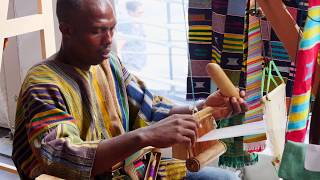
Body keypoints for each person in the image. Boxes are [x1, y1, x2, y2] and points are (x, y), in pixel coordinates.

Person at [12, 0, 247, 179]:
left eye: (112, 29)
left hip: (125, 172)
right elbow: (60, 157)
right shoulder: (43, 85)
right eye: (98, 31)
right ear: (67, 30)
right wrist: (145, 136)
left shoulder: (109, 63)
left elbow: (150, 108)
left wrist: (204, 108)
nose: (109, 39)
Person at [117, 1, 147, 71]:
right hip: (130, 62)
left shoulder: (138, 23)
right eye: (139, 13)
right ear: (131, 13)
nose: (141, 15)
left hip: (139, 61)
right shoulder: (127, 24)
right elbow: (120, 42)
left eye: (142, 12)